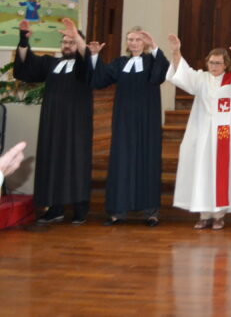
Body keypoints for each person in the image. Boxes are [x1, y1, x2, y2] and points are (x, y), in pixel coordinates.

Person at [166, 34, 231, 230]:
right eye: (211, 63)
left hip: (223, 134)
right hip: (201, 133)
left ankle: (219, 215)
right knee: (202, 171)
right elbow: (182, 73)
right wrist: (176, 51)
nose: (214, 66)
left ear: (225, 65)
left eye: (218, 63)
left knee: (220, 171)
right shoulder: (201, 78)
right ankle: (203, 214)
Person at [13, 18, 93, 224]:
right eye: (64, 42)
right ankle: (54, 208)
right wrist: (24, 40)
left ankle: (80, 209)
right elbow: (26, 68)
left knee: (76, 162)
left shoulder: (85, 64)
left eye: (71, 42)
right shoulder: (51, 63)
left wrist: (77, 38)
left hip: (76, 123)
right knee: (52, 160)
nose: (67, 45)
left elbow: (86, 59)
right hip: (52, 123)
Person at [92, 25, 169, 226]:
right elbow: (99, 80)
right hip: (124, 121)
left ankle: (151, 213)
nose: (134, 43)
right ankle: (117, 212)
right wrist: (95, 57)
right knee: (122, 162)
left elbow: (159, 75)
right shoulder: (120, 63)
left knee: (148, 160)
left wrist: (155, 46)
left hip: (147, 121)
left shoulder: (152, 61)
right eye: (131, 39)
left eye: (138, 39)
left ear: (144, 43)